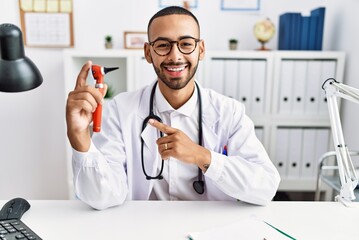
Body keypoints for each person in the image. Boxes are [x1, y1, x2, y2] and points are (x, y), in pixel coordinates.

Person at [66, 6, 280, 210]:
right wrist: (79, 137)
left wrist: (202, 157)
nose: (175, 56)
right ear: (148, 53)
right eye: (162, 45)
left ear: (201, 49)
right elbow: (104, 197)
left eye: (186, 44)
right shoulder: (121, 110)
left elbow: (265, 187)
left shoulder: (229, 112)